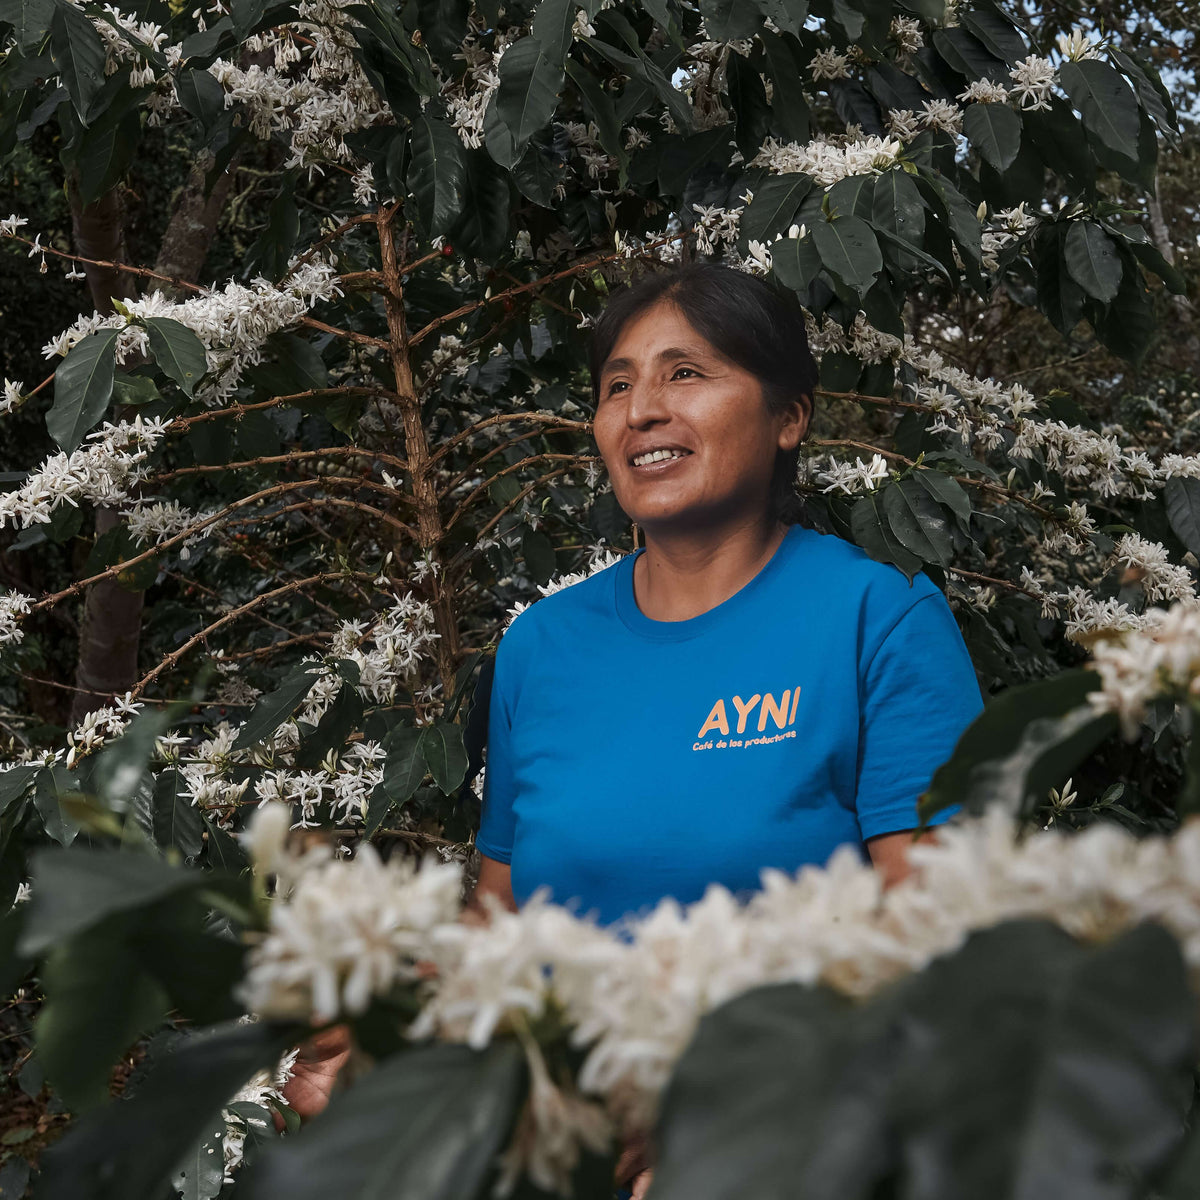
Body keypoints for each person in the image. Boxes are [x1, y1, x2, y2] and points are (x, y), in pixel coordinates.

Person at [279, 263, 984, 1198]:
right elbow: (506, 933)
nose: (642, 408)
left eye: (686, 373)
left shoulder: (877, 621)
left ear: (790, 416)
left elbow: (949, 955)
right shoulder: (540, 649)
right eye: (618, 385)